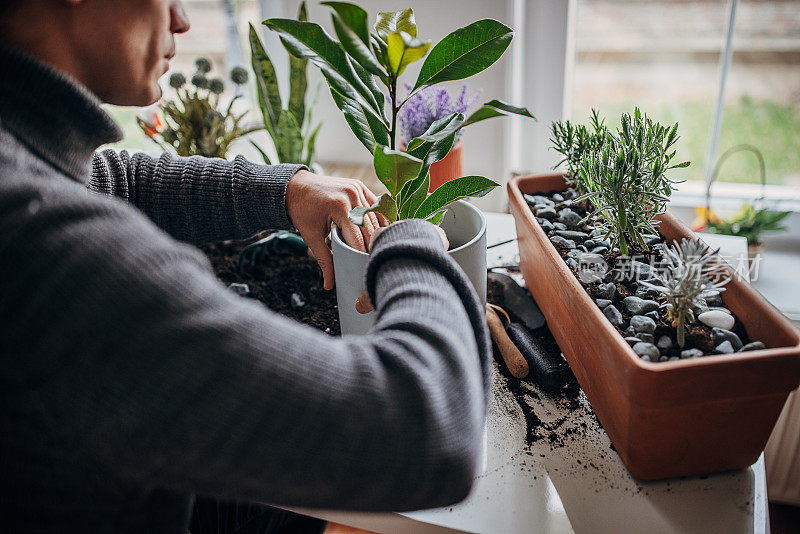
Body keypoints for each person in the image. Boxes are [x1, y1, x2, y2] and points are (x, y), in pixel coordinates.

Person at [0, 0, 491, 532]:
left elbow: (110, 179)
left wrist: (285, 189)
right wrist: (411, 243)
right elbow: (430, 426)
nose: (182, 19)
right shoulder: (58, 259)